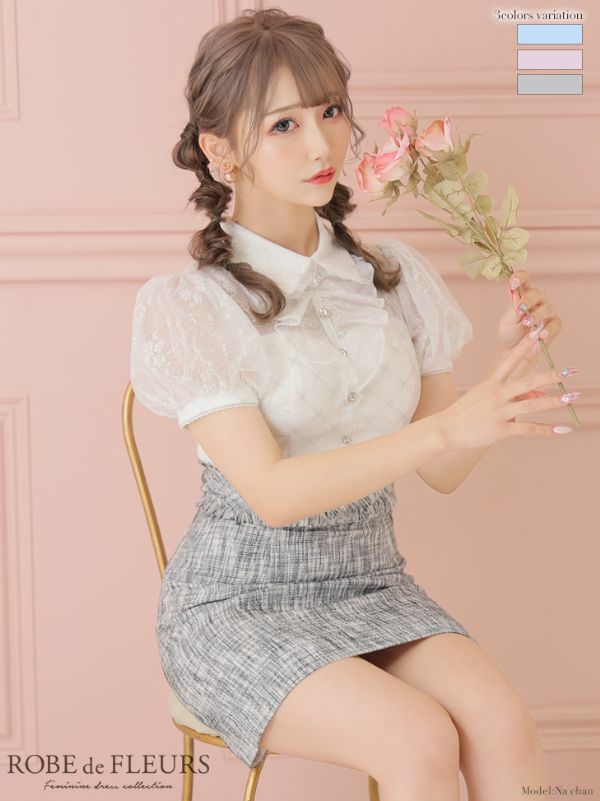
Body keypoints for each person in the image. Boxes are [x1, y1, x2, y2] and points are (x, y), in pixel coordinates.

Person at [130, 8, 573, 799]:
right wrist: (443, 428)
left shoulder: (391, 278)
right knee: (418, 737)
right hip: (237, 604)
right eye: (283, 125)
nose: (321, 145)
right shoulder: (193, 304)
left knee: (505, 723)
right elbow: (273, 494)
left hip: (372, 583)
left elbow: (445, 470)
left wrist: (510, 364)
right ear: (221, 150)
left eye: (331, 111)